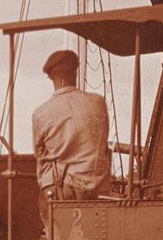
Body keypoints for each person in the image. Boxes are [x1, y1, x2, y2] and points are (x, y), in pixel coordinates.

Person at [31, 49, 112, 202]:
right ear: (75, 72)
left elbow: (40, 154)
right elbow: (103, 142)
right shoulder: (98, 102)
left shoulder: (41, 113)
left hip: (63, 190)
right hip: (100, 189)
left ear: (50, 76)